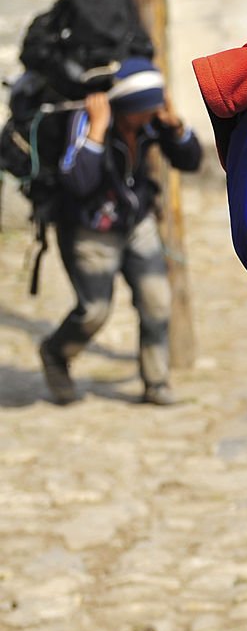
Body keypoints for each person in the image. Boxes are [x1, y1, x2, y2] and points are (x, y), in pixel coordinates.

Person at [38, 57, 203, 406]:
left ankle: (156, 383)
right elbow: (78, 182)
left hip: (136, 222)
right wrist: (97, 130)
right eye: (142, 110)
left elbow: (190, 161)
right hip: (89, 230)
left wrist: (174, 125)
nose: (149, 116)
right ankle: (56, 352)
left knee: (157, 301)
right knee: (94, 311)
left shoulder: (150, 122)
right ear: (124, 106)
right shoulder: (86, 120)